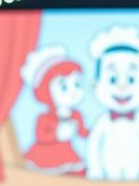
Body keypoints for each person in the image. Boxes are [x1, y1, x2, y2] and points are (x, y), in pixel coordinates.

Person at [86, 26, 139, 181]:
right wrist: (95, 170)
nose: (122, 87)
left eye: (131, 79)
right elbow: (94, 145)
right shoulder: (103, 121)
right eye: (112, 79)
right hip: (108, 176)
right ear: (95, 86)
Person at [20, 45, 88, 176]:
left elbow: (83, 132)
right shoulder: (44, 117)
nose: (73, 92)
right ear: (46, 91)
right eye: (64, 87)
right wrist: (58, 135)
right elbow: (41, 136)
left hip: (67, 154)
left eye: (77, 84)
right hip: (45, 156)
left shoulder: (76, 115)